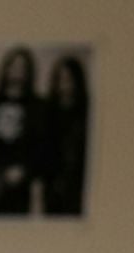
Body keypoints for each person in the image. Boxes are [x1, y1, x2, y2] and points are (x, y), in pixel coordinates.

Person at [0, 46, 43, 215]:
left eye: (21, 67)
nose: (16, 71)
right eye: (13, 66)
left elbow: (41, 145)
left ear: (28, 72)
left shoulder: (37, 106)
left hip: (21, 182)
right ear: (5, 69)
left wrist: (26, 171)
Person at [40, 55, 91, 216]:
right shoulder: (48, 110)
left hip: (78, 181)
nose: (63, 84)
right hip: (52, 182)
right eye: (59, 79)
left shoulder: (86, 111)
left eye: (68, 79)